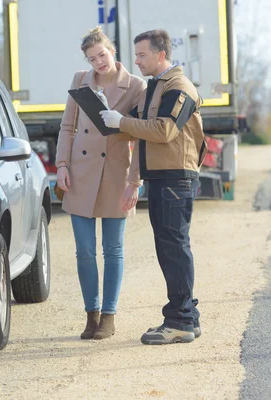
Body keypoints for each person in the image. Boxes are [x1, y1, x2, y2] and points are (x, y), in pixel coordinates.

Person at [100, 29, 206, 345]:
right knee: (170, 248)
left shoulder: (179, 87)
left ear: (161, 55)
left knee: (174, 249)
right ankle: (187, 316)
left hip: (176, 179)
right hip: (162, 178)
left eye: (142, 54)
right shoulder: (154, 89)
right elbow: (136, 127)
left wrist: (120, 122)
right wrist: (107, 116)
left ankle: (180, 321)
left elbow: (163, 130)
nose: (136, 60)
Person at [55, 26, 147, 340]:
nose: (98, 62)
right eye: (92, 58)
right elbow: (67, 128)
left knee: (113, 250)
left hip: (115, 174)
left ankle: (108, 317)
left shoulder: (135, 86)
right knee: (83, 251)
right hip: (80, 173)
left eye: (102, 55)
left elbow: (141, 137)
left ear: (112, 51)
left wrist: (134, 182)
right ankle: (90, 315)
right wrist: (62, 166)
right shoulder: (80, 80)